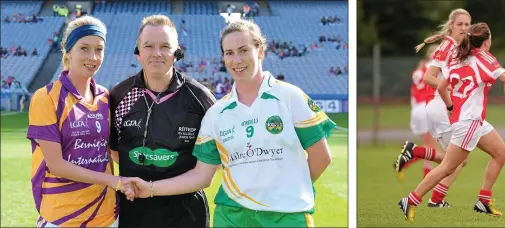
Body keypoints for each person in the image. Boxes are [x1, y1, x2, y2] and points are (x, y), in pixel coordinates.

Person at [124, 19, 336, 227]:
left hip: (287, 216)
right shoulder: (217, 113)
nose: (237, 60)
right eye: (229, 53)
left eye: (244, 50)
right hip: (232, 217)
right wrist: (150, 188)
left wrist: (287, 192)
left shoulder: (290, 97)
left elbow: (321, 157)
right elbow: (201, 175)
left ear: (260, 51)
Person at [396, 22, 505, 221]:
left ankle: (483, 200)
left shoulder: (457, 57)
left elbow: (442, 86)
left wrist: (451, 107)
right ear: (486, 42)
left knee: (501, 153)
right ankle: (411, 199)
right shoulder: (483, 57)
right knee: (448, 167)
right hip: (469, 121)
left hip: (471, 119)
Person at [26, 16, 134, 228]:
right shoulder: (46, 97)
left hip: (107, 215)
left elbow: (110, 152)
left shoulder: (104, 96)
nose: (93, 57)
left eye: (99, 49)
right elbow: (56, 165)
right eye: (84, 48)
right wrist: (114, 181)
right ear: (68, 51)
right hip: (63, 217)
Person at [108, 15, 216, 227]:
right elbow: (115, 153)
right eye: (148, 45)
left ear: (177, 53)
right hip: (133, 209)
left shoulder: (201, 99)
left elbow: (208, 170)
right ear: (138, 52)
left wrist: (158, 185)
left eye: (165, 46)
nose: (157, 53)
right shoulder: (118, 96)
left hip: (186, 213)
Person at [396, 8, 473, 209]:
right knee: (456, 160)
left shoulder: (459, 45)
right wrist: (449, 88)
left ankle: (435, 198)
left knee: (458, 160)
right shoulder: (447, 46)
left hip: (444, 106)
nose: (464, 28)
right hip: (441, 106)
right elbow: (429, 77)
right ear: (452, 25)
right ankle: (418, 154)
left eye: (467, 24)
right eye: (460, 24)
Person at [408, 44, 440, 180]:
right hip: (428, 107)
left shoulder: (418, 71)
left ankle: (426, 177)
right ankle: (411, 155)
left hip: (417, 110)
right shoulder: (436, 68)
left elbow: (412, 93)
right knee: (433, 148)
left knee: (428, 146)